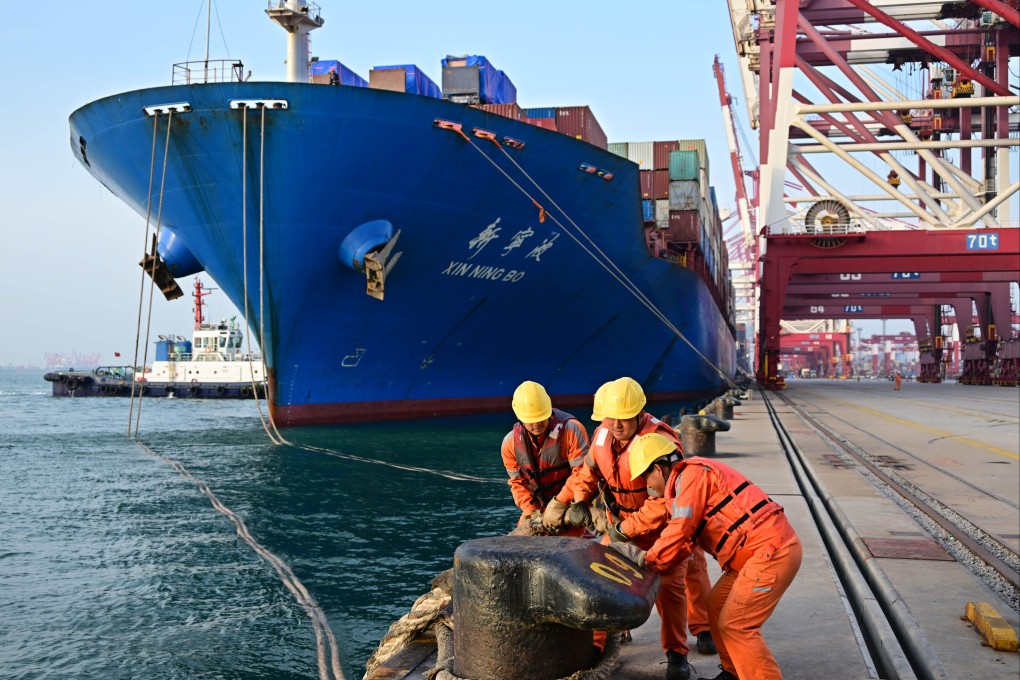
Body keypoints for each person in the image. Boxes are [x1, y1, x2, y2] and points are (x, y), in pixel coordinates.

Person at [546, 377, 714, 680]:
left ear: (640, 414)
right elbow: (588, 471)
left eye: (624, 418)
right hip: (621, 522)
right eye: (612, 418)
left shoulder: (662, 441)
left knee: (672, 588)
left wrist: (626, 528)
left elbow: (665, 502)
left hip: (663, 529)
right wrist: (566, 500)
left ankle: (678, 652)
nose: (617, 424)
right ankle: (598, 645)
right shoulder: (602, 435)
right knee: (602, 579)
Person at [614, 433, 802, 680]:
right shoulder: (683, 489)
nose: (647, 486)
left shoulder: (691, 476)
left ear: (658, 470)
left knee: (738, 625)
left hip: (771, 552)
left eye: (646, 477)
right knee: (715, 606)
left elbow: (680, 529)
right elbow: (684, 543)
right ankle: (733, 674)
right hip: (753, 557)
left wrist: (648, 560)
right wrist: (651, 560)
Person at [501, 381, 590, 536]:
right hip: (537, 508)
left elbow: (582, 474)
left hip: (570, 504)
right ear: (520, 418)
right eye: (531, 420)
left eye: (541, 417)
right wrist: (530, 510)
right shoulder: (510, 444)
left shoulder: (572, 430)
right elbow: (517, 483)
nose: (536, 424)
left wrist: (559, 502)